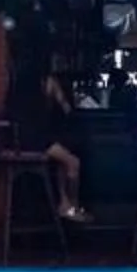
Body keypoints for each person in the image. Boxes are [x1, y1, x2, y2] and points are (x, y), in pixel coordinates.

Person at [7, 50, 90, 223]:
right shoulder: (47, 81)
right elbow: (65, 107)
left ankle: (64, 204)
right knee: (73, 162)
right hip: (36, 139)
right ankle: (73, 208)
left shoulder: (16, 85)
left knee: (62, 160)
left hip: (18, 139)